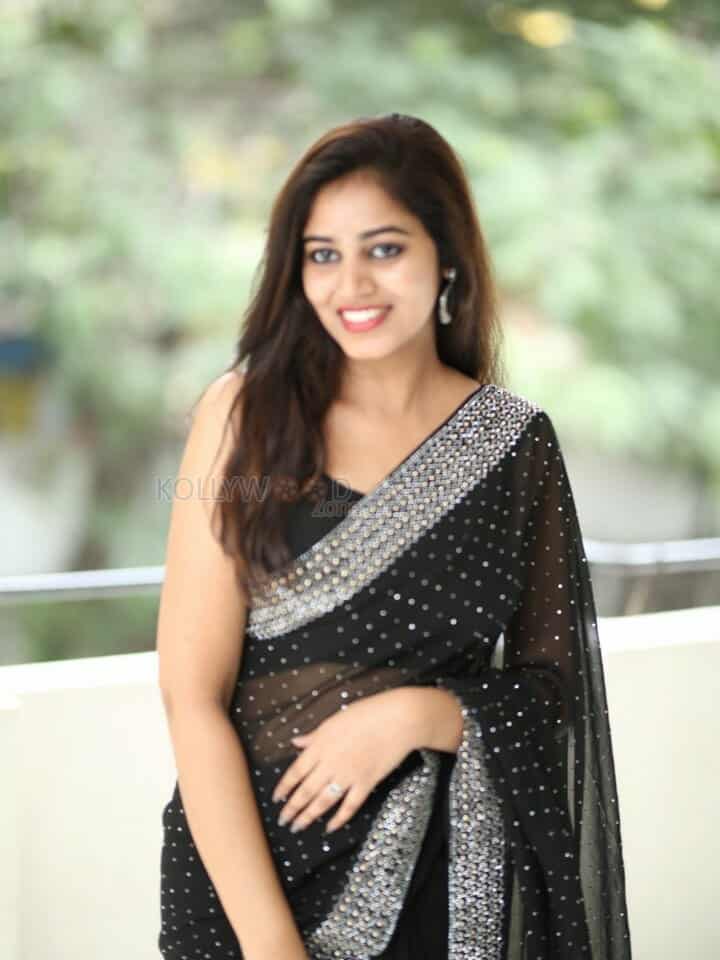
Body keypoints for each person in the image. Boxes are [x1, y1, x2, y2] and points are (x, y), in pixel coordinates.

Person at [156, 113, 632, 960]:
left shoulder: (511, 445)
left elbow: (555, 691)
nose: (352, 285)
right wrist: (272, 949)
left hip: (446, 887)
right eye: (322, 254)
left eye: (384, 249)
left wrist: (421, 714)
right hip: (245, 891)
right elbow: (191, 696)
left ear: (446, 256)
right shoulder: (245, 418)